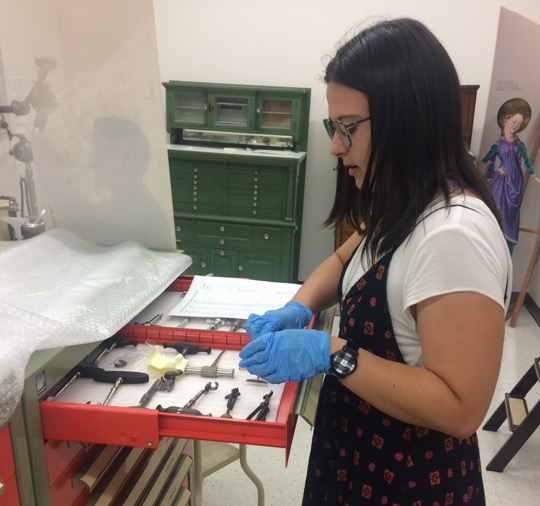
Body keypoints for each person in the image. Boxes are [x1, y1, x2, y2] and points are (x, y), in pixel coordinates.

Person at [239, 18, 512, 505]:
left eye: (348, 128)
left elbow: (461, 408)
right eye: (333, 125)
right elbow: (344, 260)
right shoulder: (404, 200)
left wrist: (330, 352)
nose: (334, 146)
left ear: (408, 118)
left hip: (406, 480)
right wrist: (298, 308)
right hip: (358, 451)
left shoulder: (454, 234)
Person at [482, 98, 540, 255]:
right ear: (505, 120)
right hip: (501, 182)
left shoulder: (519, 144)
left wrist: (534, 175)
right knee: (497, 212)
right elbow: (486, 160)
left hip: (516, 182)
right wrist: (496, 170)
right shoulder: (497, 144)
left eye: (519, 124)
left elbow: (527, 160)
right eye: (514, 121)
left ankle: (507, 251)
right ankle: (492, 247)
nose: (516, 126)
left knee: (511, 214)